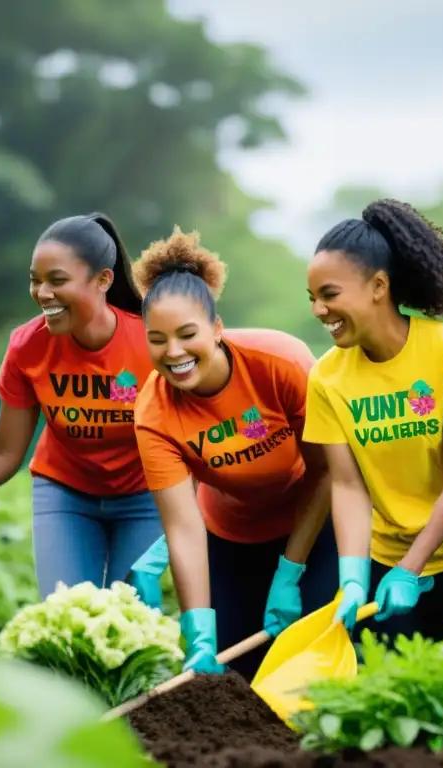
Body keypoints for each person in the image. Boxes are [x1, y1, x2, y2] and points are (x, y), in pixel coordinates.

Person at [301, 198, 443, 731]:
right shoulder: (327, 378)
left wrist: (412, 569)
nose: (319, 309)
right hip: (389, 548)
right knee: (397, 704)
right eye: (312, 298)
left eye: (330, 294)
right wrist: (354, 576)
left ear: (378, 287)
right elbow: (348, 486)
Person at [127, 226, 337, 681]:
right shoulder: (153, 414)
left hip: (316, 529)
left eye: (187, 334)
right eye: (157, 339)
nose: (174, 352)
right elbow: (183, 528)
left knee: (314, 666)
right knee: (238, 682)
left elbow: (325, 473)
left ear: (217, 328)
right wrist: (198, 629)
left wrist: (290, 570)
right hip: (232, 538)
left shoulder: (281, 361)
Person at [0, 213, 163, 597]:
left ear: (103, 280)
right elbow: (4, 452)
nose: (42, 292)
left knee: (132, 624)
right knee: (64, 617)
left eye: (57, 280)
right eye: (35, 280)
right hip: (66, 494)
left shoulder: (152, 343)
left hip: (146, 497)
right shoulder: (29, 346)